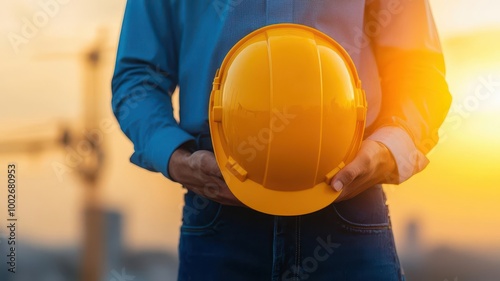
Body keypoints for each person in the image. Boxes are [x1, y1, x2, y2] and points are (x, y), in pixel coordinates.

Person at [112, 1, 451, 280]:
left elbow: (420, 74)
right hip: (220, 200)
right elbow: (138, 78)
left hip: (348, 202)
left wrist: (386, 151)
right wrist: (175, 157)